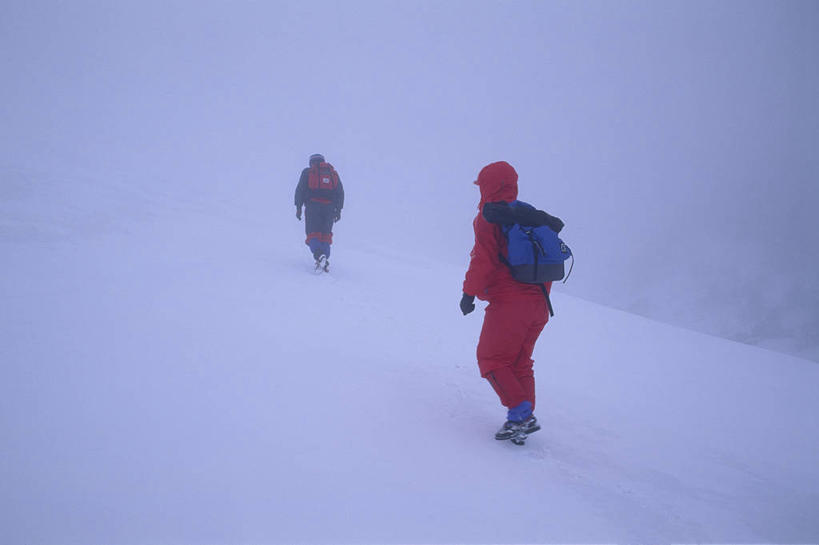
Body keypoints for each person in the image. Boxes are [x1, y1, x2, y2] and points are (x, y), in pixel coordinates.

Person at [460, 160, 564, 444]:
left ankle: (520, 415)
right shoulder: (530, 215)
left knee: (491, 358)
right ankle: (520, 420)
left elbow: (483, 259)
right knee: (519, 362)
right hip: (540, 303)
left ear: (486, 185)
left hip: (510, 303)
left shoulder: (490, 217)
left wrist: (469, 293)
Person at [294, 154, 345, 271]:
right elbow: (340, 192)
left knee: (313, 234)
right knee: (325, 235)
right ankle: (324, 258)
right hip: (329, 209)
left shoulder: (308, 172)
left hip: (313, 207)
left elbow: (300, 190)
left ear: (311, 162)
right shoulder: (332, 173)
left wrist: (298, 208)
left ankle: (318, 256)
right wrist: (338, 211)